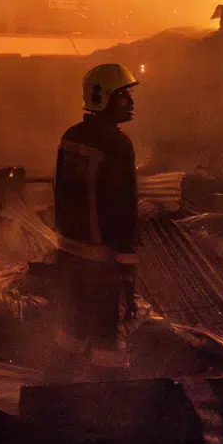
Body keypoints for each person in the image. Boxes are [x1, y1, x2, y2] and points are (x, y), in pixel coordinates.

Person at [51, 64, 140, 352]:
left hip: (68, 254)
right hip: (102, 262)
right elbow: (123, 206)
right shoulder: (117, 144)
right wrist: (127, 268)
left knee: (72, 331)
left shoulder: (71, 136)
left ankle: (63, 376)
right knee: (106, 339)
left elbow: (59, 191)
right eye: (124, 96)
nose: (131, 102)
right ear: (103, 98)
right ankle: (106, 379)